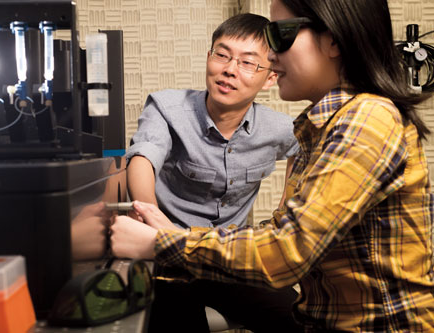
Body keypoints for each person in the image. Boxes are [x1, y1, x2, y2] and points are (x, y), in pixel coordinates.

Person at [111, 0, 434, 331]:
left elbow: (285, 251)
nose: (272, 57)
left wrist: (158, 241)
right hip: (199, 255)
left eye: (281, 35)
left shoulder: (365, 120)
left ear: (334, 39)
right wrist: (160, 227)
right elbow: (143, 156)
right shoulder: (324, 125)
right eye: (222, 55)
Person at [124, 13, 301, 332]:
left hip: (226, 257)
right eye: (222, 54)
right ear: (209, 57)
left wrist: (284, 212)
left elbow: (303, 150)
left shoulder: (280, 128)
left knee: (296, 318)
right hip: (169, 256)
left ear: (271, 77)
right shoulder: (167, 107)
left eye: (248, 63)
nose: (229, 69)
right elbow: (143, 158)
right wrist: (155, 223)